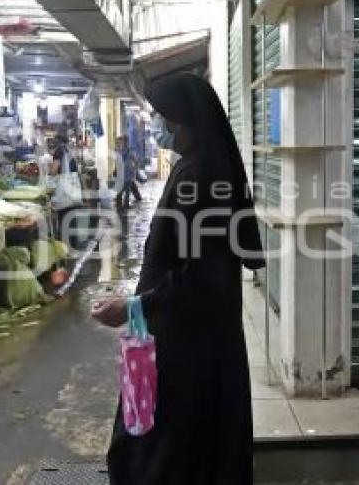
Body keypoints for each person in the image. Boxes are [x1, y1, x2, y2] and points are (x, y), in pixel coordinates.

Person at [91, 73, 265, 485]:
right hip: (187, 331)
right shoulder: (197, 164)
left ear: (184, 120)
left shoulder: (203, 174)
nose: (157, 126)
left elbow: (201, 273)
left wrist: (134, 306)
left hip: (188, 339)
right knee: (181, 438)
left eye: (161, 117)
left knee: (172, 440)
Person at [115, 135, 142, 210]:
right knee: (122, 189)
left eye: (125, 141)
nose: (124, 143)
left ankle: (124, 204)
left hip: (129, 174)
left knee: (127, 190)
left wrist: (136, 170)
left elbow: (135, 161)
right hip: (124, 174)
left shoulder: (129, 151)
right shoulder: (119, 151)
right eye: (124, 141)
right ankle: (120, 203)